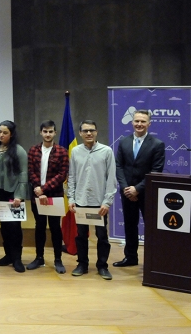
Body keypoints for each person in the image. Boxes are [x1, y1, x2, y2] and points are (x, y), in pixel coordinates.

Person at [114, 109, 165, 268]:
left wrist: (137, 189)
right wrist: (126, 188)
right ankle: (130, 258)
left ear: (149, 124)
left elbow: (156, 171)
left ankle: (153, 260)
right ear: (132, 122)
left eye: (143, 121)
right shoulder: (123, 142)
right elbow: (119, 166)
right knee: (130, 225)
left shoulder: (157, 144)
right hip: (127, 192)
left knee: (151, 227)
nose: (139, 124)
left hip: (147, 193)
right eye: (137, 121)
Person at [68, 120, 117, 280]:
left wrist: (107, 201)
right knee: (81, 235)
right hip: (81, 201)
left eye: (92, 130)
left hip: (99, 202)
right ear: (80, 133)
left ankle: (102, 266)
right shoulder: (75, 151)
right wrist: (71, 198)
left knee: (102, 236)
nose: (89, 133)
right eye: (85, 131)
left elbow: (111, 178)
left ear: (96, 132)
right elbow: (72, 176)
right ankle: (82, 264)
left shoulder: (106, 151)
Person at [25, 120, 69, 274]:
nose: (48, 134)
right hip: (37, 195)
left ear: (55, 133)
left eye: (51, 131)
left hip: (54, 195)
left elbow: (62, 175)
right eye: (45, 131)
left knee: (55, 228)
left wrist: (43, 189)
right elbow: (31, 172)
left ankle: (58, 259)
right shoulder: (33, 150)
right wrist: (38, 189)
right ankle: (39, 258)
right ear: (41, 132)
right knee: (40, 227)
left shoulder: (62, 151)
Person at [0, 121, 28, 273]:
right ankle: (8, 255)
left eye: (5, 133)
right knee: (4, 226)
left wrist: (19, 195)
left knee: (15, 227)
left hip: (14, 194)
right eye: (0, 132)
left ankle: (17, 258)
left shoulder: (19, 151)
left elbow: (23, 174)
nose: (1, 135)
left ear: (11, 134)